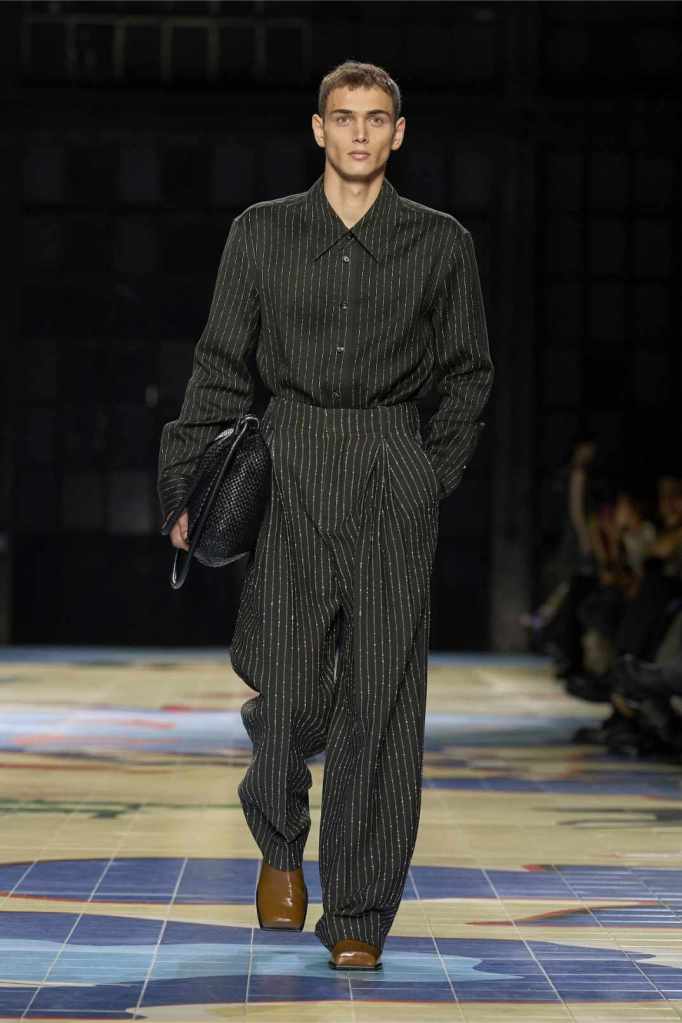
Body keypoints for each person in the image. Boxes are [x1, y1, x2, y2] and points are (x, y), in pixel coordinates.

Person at [157, 61, 493, 970]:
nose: (359, 133)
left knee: (382, 695)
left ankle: (358, 911)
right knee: (289, 688)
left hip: (390, 459)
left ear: (398, 134)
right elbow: (221, 363)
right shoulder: (262, 232)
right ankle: (278, 839)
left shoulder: (439, 242)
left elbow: (469, 372)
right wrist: (186, 486)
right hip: (291, 456)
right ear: (317, 129)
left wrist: (428, 474)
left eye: (376, 119)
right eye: (343, 117)